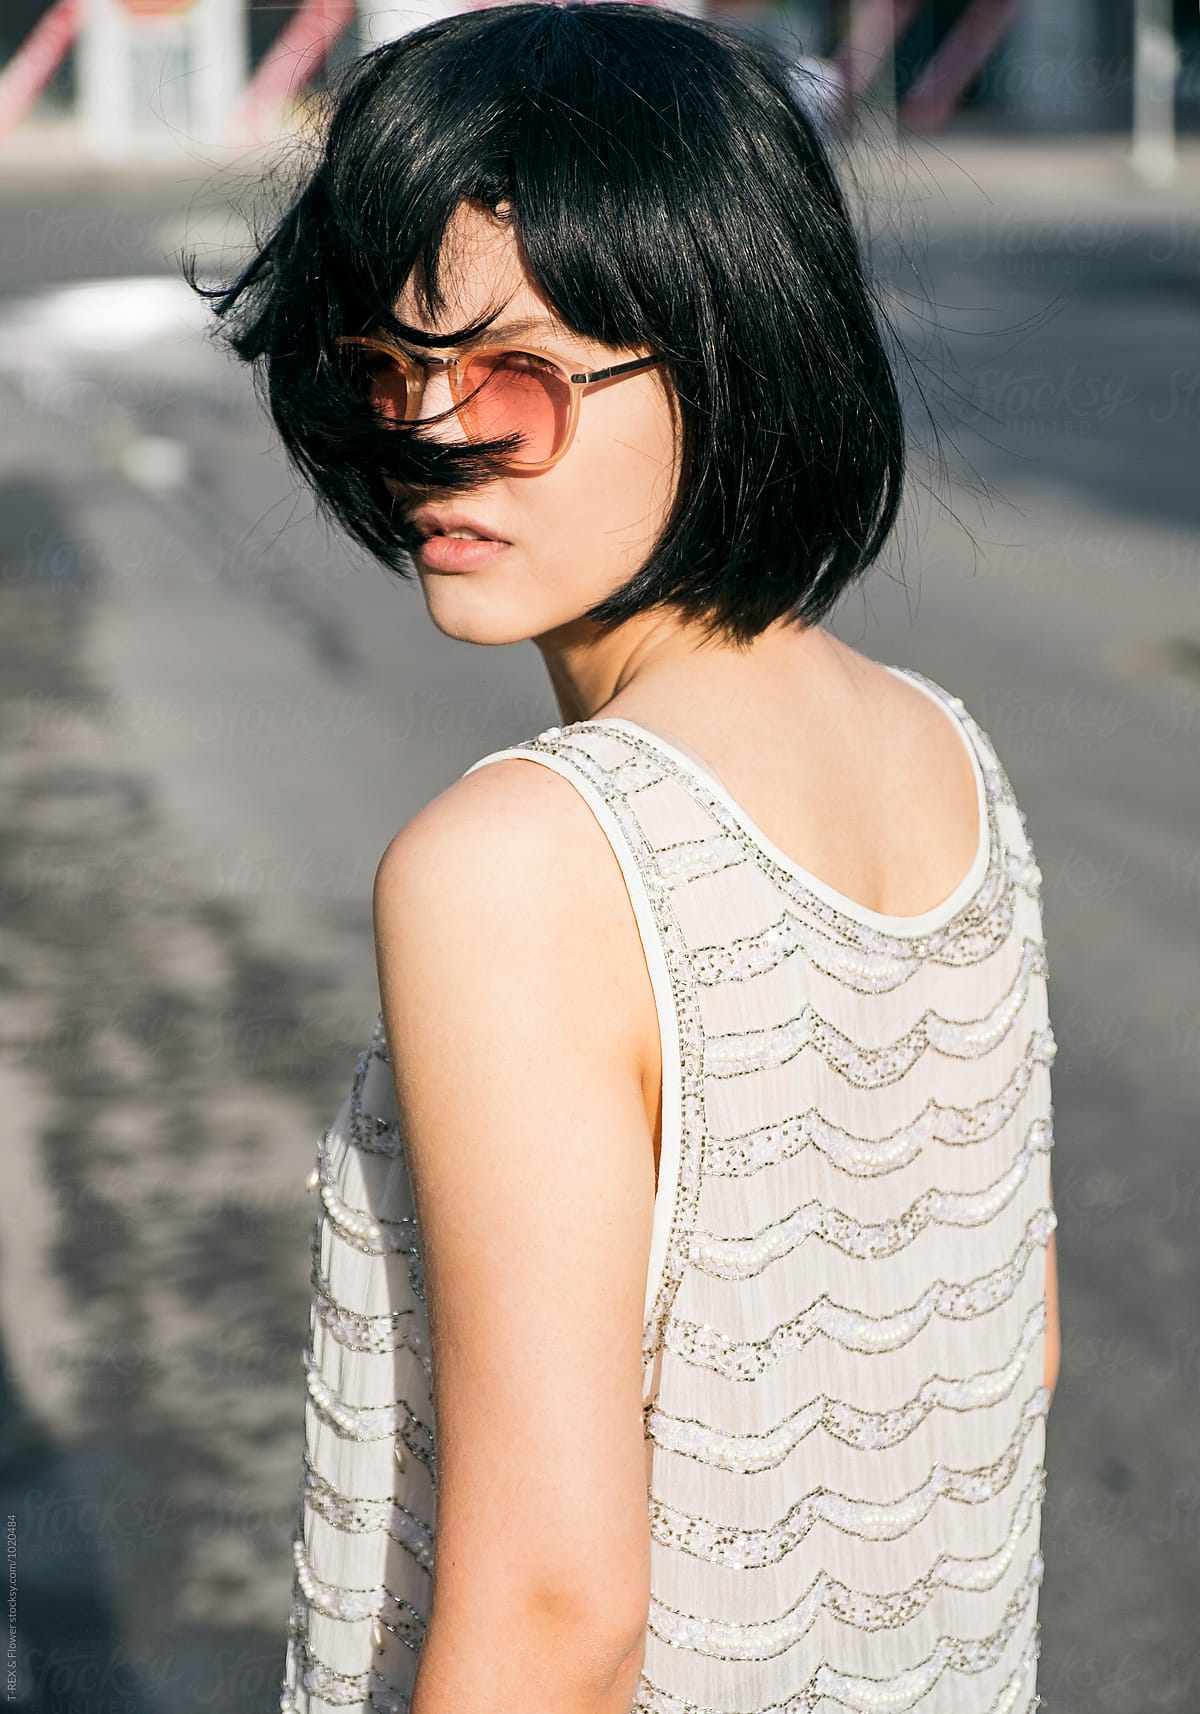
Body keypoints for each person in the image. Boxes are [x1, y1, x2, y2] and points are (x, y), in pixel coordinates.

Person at [190, 3, 1060, 1710]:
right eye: (386, 366)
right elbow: (1008, 1337)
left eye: (513, 373)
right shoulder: (948, 756)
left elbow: (551, 1613)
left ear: (726, 350)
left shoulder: (517, 863)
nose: (430, 434)